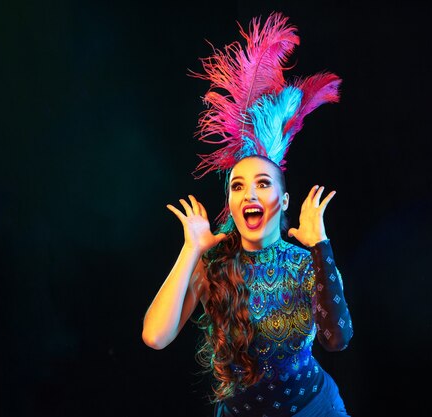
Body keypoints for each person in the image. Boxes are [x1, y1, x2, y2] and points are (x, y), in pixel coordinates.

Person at [142, 12, 353, 416]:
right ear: (232, 202)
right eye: (238, 185)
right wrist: (190, 250)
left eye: (262, 183)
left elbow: (336, 339)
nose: (248, 193)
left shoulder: (308, 261)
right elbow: (155, 336)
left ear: (284, 201)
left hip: (316, 408)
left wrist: (322, 246)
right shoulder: (215, 265)